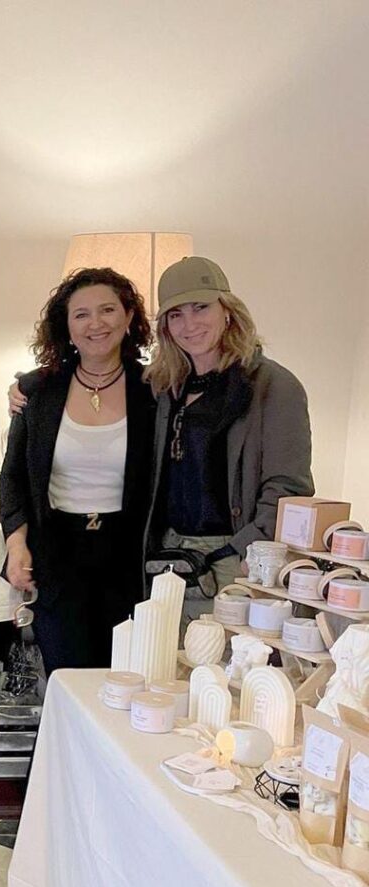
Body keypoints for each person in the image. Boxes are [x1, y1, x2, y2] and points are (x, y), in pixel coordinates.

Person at [0, 267, 154, 671]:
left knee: (124, 684)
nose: (95, 323)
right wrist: (17, 547)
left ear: (129, 317)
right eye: (81, 314)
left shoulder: (154, 389)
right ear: (66, 326)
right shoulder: (38, 390)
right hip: (58, 556)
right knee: (67, 681)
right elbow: (12, 475)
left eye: (107, 310)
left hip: (129, 558)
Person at [142, 255, 313, 620]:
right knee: (163, 668)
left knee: (221, 672)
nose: (189, 324)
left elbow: (288, 488)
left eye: (200, 307)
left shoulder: (273, 386)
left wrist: (250, 552)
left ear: (227, 311)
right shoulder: (162, 386)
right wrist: (26, 386)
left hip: (234, 560)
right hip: (166, 561)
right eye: (175, 314)